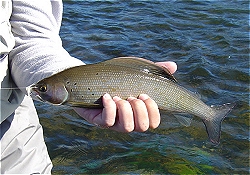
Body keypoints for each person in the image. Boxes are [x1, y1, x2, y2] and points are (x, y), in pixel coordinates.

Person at [0, 0, 177, 174]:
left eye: (44, 89)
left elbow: (31, 38)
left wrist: (53, 72)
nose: (39, 90)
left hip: (9, 127)